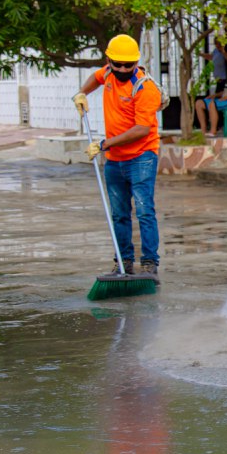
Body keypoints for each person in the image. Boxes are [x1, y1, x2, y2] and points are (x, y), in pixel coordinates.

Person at [72, 34, 163, 279]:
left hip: (141, 157)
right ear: (109, 61)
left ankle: (149, 265)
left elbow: (141, 129)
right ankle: (123, 263)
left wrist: (104, 144)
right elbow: (96, 77)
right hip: (115, 159)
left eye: (128, 65)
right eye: (118, 64)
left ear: (136, 62)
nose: (122, 69)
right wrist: (82, 93)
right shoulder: (108, 74)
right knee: (119, 213)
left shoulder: (144, 88)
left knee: (144, 211)